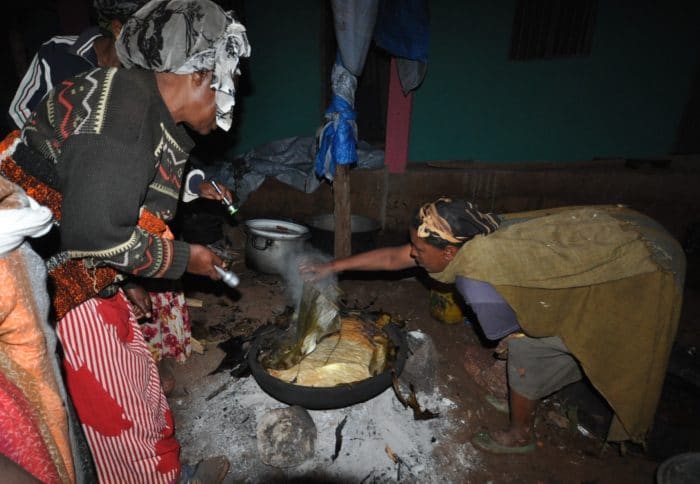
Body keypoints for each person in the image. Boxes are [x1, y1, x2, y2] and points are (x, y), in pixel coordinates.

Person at [0, 0, 251, 481]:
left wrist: (127, 278)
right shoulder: (125, 117)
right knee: (120, 406)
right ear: (200, 75)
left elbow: (107, 211)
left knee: (136, 378)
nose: (233, 94)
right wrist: (186, 259)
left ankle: (161, 469)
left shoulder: (140, 103)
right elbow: (94, 236)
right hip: (56, 276)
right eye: (230, 78)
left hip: (79, 267)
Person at [301, 198, 685, 454]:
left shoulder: (478, 283)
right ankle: (527, 392)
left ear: (450, 253)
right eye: (413, 247)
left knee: (527, 351)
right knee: (530, 342)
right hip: (619, 238)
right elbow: (392, 258)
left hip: (640, 269)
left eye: (419, 252)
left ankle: (520, 434)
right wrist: (332, 267)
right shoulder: (468, 235)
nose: (412, 255)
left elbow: (511, 335)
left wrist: (509, 344)